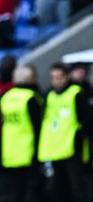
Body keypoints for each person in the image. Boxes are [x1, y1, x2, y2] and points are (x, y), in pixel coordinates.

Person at [37, 63, 93, 202]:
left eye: (59, 77)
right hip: (55, 148)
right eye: (53, 78)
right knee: (60, 187)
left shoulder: (76, 93)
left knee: (78, 185)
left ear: (67, 76)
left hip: (73, 147)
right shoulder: (49, 96)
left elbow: (87, 119)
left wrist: (78, 136)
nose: (56, 81)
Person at [0, 65, 43, 202]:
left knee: (14, 193)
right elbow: (39, 127)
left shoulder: (5, 98)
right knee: (30, 192)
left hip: (9, 153)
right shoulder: (31, 98)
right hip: (27, 152)